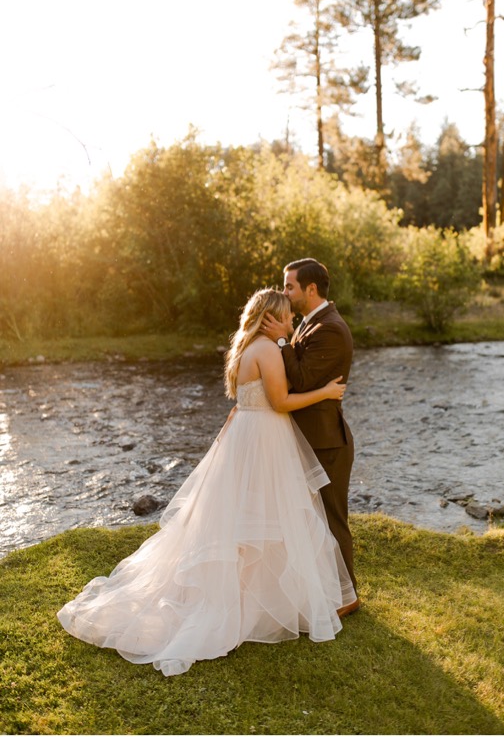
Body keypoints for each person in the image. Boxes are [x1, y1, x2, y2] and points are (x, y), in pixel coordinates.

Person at [57, 289, 357, 676]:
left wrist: (283, 342)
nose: (291, 323)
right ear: (270, 318)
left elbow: (244, 401)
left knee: (247, 519)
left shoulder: (246, 348)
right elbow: (281, 402)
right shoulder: (268, 349)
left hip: (247, 435)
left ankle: (256, 592)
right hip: (265, 437)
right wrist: (327, 392)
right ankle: (256, 600)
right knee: (270, 517)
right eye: (284, 317)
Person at [261, 258, 359, 614]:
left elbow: (301, 379)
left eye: (289, 287)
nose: (285, 293)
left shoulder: (330, 329)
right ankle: (324, 591)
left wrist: (282, 340)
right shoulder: (310, 323)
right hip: (308, 438)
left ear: (310, 289)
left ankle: (348, 599)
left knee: (332, 518)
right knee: (309, 518)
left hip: (327, 442)